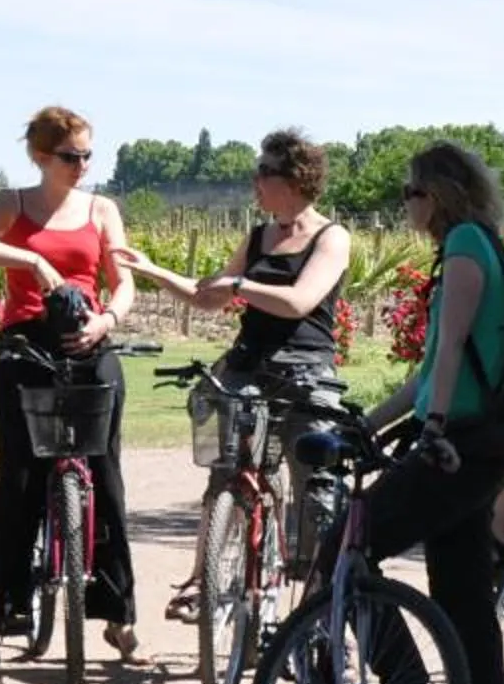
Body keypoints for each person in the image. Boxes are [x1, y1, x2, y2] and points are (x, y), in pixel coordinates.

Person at [115, 127, 350, 621]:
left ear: (295, 178)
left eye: (263, 172)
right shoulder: (259, 236)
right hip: (248, 367)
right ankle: (204, 579)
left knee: (316, 490)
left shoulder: (332, 238)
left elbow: (300, 302)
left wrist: (242, 282)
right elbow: (208, 295)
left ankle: (317, 606)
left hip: (306, 372)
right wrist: (153, 269)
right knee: (223, 473)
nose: (255, 182)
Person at [346, 141, 504, 684]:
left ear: (439, 195)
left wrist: (433, 429)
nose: (405, 205)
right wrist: (369, 423)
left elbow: (448, 353)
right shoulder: (481, 244)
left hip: (457, 446)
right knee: (463, 596)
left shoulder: (467, 250)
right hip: (477, 445)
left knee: (350, 541)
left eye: (410, 193)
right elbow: (429, 373)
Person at [0, 105, 146, 673]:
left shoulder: (101, 209)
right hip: (26, 345)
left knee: (106, 476)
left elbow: (123, 279)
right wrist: (32, 260)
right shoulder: (12, 204)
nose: (82, 165)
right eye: (70, 156)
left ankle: (119, 613)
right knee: (17, 481)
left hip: (87, 338)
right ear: (40, 156)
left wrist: (108, 320)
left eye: (88, 155)